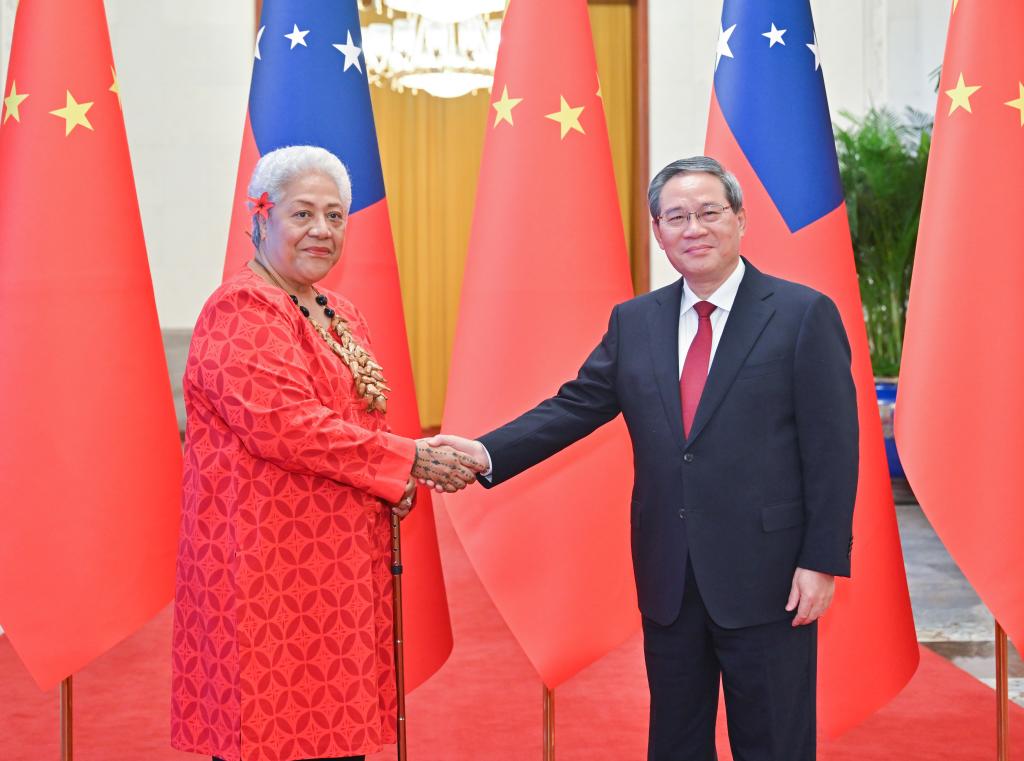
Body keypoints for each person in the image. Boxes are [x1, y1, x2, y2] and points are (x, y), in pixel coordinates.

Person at [428, 157, 858, 761]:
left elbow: (833, 448)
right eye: (676, 216)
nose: (694, 228)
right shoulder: (636, 321)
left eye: (709, 212)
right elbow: (577, 405)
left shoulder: (801, 313)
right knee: (676, 740)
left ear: (740, 219)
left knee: (773, 742)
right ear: (658, 231)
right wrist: (486, 450)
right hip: (669, 573)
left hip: (770, 574)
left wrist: (821, 559)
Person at [170, 145, 485, 761]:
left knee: (337, 738)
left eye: (336, 216)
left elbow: (359, 421)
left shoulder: (338, 312)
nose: (322, 230)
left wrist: (395, 474)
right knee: (272, 735)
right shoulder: (241, 309)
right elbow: (286, 427)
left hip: (339, 569)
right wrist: (408, 460)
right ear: (261, 217)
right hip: (267, 575)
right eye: (303, 213)